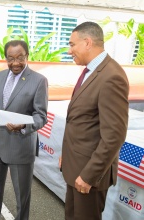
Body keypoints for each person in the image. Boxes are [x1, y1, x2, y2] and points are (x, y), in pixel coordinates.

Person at [59, 21, 129, 219]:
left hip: (88, 176)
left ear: (87, 42)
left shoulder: (111, 77)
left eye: (72, 44)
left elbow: (114, 136)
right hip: (76, 167)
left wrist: (89, 175)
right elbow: (83, 122)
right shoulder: (91, 71)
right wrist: (68, 155)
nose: (69, 50)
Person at [0, 40, 48, 220]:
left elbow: (41, 116)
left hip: (20, 145)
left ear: (27, 56)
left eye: (20, 58)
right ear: (5, 58)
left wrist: (24, 126)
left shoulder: (39, 81)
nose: (15, 63)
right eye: (10, 58)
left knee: (22, 198)